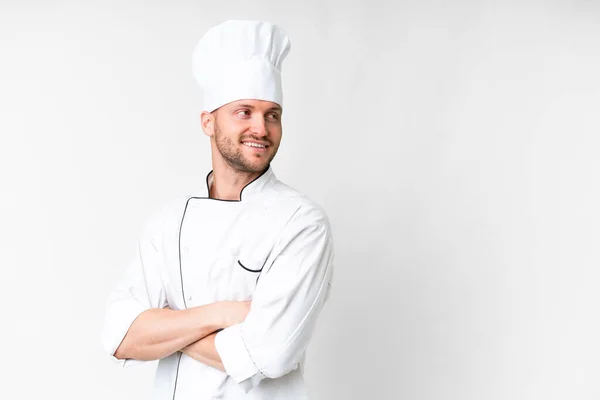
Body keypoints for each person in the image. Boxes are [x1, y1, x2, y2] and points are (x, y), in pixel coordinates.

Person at [100, 20, 335, 400]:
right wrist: (223, 314)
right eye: (244, 111)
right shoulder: (169, 222)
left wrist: (163, 332)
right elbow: (118, 335)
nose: (262, 127)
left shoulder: (301, 223)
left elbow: (269, 354)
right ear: (208, 122)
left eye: (272, 114)